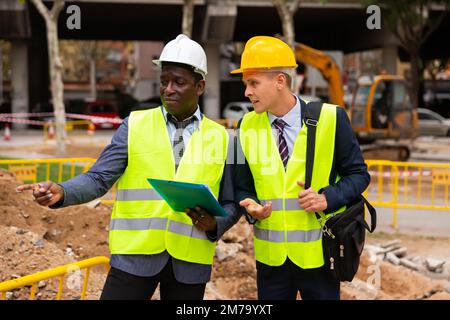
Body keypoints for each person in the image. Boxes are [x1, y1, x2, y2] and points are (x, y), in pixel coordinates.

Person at [16, 34, 240, 300]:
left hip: (190, 262)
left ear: (200, 86)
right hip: (134, 256)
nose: (168, 89)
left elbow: (233, 200)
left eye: (178, 82)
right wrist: (63, 191)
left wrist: (216, 224)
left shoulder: (227, 138)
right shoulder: (133, 125)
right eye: (164, 81)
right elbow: (99, 178)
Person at [232, 36, 370, 300]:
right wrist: (251, 208)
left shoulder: (331, 118)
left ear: (280, 81)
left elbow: (359, 175)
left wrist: (327, 197)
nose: (247, 92)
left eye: (253, 83)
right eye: (246, 84)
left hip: (319, 257)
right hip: (271, 263)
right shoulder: (245, 126)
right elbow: (242, 186)